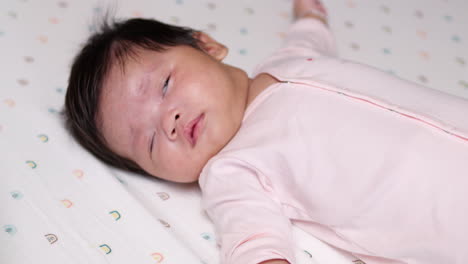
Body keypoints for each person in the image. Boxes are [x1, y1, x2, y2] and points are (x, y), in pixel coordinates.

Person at [64, 0, 468, 263]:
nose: (167, 119)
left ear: (207, 45)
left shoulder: (288, 59)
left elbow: (309, 37)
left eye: (165, 85)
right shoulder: (231, 173)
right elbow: (253, 240)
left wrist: (310, 15)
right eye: (149, 141)